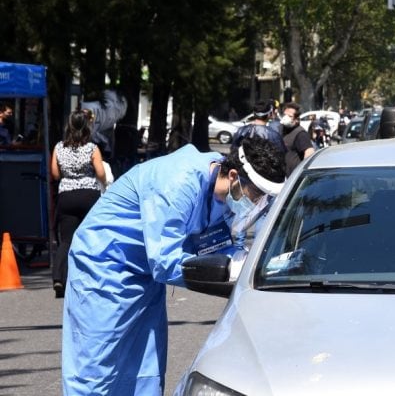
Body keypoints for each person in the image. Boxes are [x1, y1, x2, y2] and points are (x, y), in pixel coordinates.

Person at [61, 136, 285, 395]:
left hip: (145, 276)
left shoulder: (224, 194)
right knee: (96, 370)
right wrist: (226, 273)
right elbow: (165, 262)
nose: (257, 204)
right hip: (105, 268)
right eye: (256, 195)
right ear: (234, 175)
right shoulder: (179, 181)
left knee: (145, 371)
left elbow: (220, 243)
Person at [50, 109, 107, 298]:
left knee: (66, 240)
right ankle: (92, 278)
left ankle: (58, 278)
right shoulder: (92, 148)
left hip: (66, 196)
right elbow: (100, 173)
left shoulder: (58, 147)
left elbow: (56, 174)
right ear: (86, 127)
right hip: (89, 196)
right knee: (91, 237)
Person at [281, 102, 315, 176]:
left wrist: (301, 173)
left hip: (292, 177)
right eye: (284, 115)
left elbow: (309, 152)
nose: (285, 117)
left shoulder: (300, 133)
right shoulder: (281, 129)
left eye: (289, 116)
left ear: (297, 119)